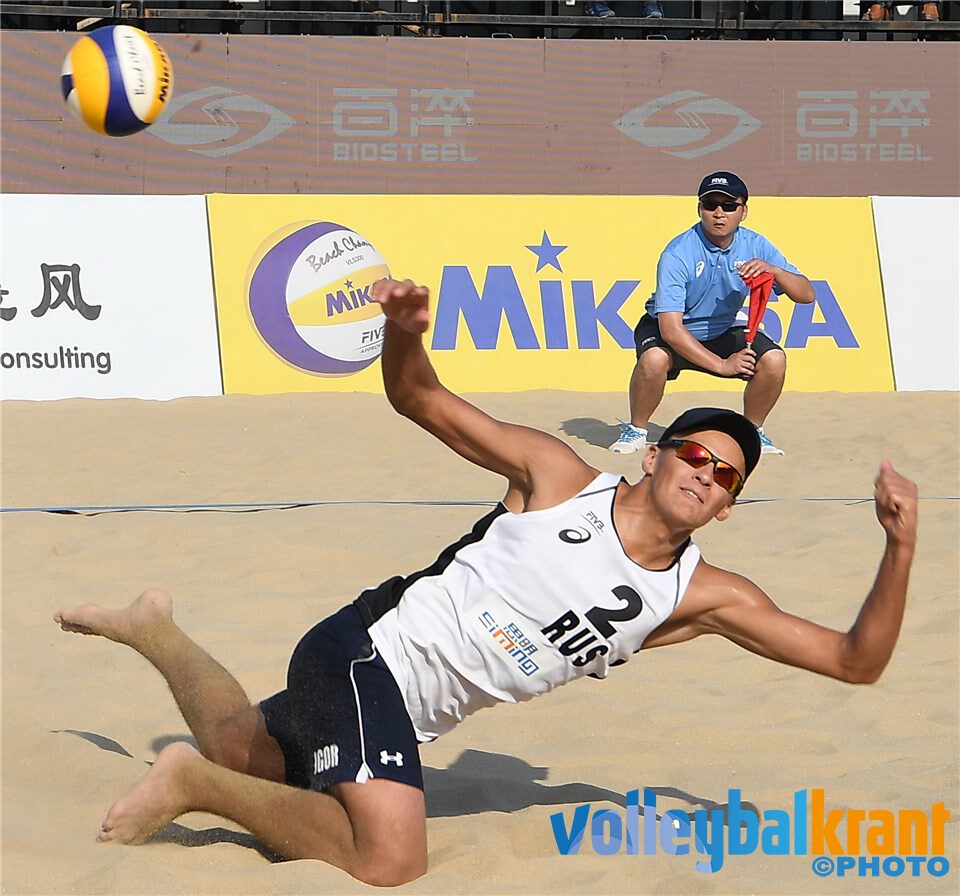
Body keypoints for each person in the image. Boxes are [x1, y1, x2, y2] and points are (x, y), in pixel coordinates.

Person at [55, 278, 917, 887]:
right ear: (654, 455)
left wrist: (900, 547)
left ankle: (155, 628)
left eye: (727, 476)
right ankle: (192, 787)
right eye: (695, 453)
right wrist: (404, 332)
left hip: (406, 712)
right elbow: (420, 399)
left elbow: (855, 662)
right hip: (367, 652)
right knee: (391, 860)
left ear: (728, 507)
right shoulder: (559, 478)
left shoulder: (704, 596)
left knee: (243, 751)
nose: (706, 474)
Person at [610, 171, 816, 458]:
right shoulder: (678, 252)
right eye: (710, 205)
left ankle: (752, 431)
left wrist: (775, 271)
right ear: (700, 209)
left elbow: (806, 295)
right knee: (653, 359)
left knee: (774, 359)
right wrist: (721, 365)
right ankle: (637, 429)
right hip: (671, 330)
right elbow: (670, 329)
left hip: (722, 329)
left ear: (743, 211)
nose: (719, 213)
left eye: (729, 206)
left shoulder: (756, 245)